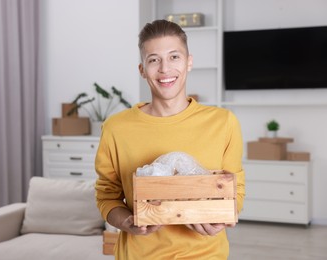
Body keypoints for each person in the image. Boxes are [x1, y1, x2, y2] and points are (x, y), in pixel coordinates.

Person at [95, 19, 245, 259]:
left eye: (174, 57)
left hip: (206, 255)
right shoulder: (116, 128)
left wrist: (220, 219)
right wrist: (127, 222)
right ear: (142, 69)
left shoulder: (223, 122)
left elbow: (234, 189)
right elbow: (107, 196)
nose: (165, 69)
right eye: (154, 59)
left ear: (189, 62)